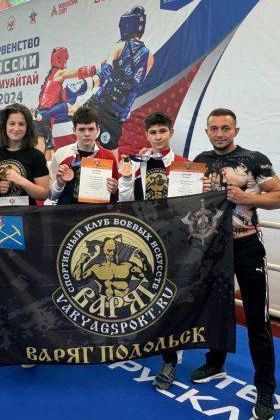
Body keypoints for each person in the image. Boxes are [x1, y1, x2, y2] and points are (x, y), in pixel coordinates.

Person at [190, 108, 280, 420]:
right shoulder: (200, 160)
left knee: (257, 319)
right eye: (214, 128)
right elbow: (186, 202)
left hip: (246, 245)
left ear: (236, 131)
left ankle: (265, 388)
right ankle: (215, 362)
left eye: (225, 128)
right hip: (213, 246)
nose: (220, 133)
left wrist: (246, 198)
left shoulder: (254, 159)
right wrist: (197, 192)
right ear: (207, 132)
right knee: (215, 309)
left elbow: (279, 198)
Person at [117, 111, 187, 389]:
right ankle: (142, 342)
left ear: (170, 132)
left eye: (162, 131)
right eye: (153, 133)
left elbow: (193, 206)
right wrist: (126, 178)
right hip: (144, 239)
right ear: (146, 135)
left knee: (170, 299)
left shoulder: (184, 165)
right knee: (140, 294)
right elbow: (125, 200)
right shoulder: (138, 163)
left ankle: (170, 360)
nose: (158, 137)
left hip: (175, 242)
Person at [74, 6, 154, 158]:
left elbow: (104, 74)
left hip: (101, 103)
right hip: (118, 112)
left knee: (83, 138)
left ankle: (83, 169)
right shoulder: (150, 57)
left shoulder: (119, 46)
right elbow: (132, 83)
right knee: (111, 150)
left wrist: (85, 84)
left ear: (126, 25)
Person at [34, 47, 96, 159]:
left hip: (44, 115)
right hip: (45, 115)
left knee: (48, 147)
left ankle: (46, 167)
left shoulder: (51, 77)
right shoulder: (58, 73)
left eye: (64, 59)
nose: (63, 61)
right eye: (61, 58)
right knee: (44, 146)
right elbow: (74, 72)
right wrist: (92, 70)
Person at [49, 106, 119, 205]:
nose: (86, 134)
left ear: (98, 130)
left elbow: (114, 199)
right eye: (82, 129)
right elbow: (51, 196)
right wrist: (59, 184)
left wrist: (114, 191)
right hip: (67, 213)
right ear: (74, 130)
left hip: (97, 213)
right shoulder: (61, 154)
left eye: (91, 129)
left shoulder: (109, 157)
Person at [0, 104, 50, 205]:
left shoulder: (36, 156)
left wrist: (21, 181)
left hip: (27, 214)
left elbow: (43, 194)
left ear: (27, 127)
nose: (16, 128)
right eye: (12, 123)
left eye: (21, 124)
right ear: (4, 126)